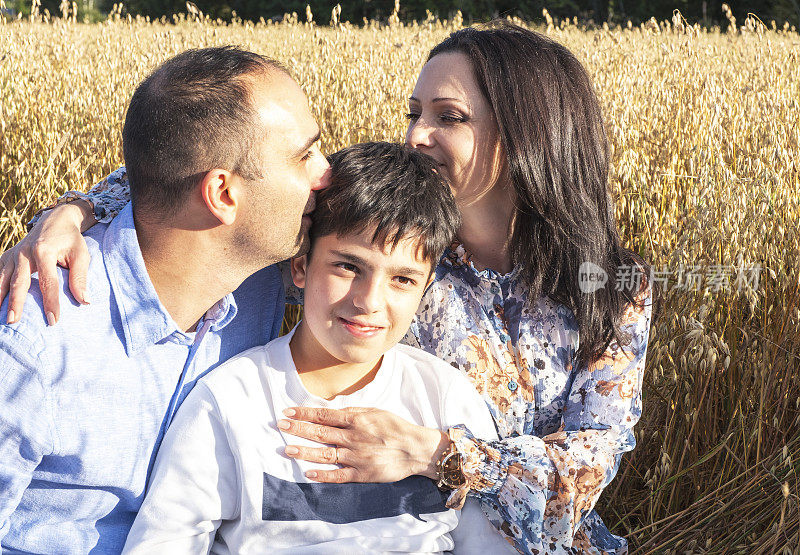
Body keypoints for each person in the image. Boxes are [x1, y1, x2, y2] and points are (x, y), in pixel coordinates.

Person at [1, 22, 653, 554]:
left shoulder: (612, 288)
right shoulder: (391, 240)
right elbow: (209, 167)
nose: (415, 135)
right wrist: (79, 209)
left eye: (447, 116)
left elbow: (588, 469)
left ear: (526, 137)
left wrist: (434, 453)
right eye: (414, 111)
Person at [0, 46, 330, 553]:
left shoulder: (276, 280)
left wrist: (76, 205)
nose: (325, 173)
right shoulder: (35, 336)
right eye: (304, 154)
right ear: (222, 195)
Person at [121, 141, 517, 553]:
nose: (369, 302)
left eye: (403, 279)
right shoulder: (229, 402)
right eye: (348, 266)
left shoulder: (445, 397)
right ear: (301, 266)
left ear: (425, 288)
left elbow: (488, 543)